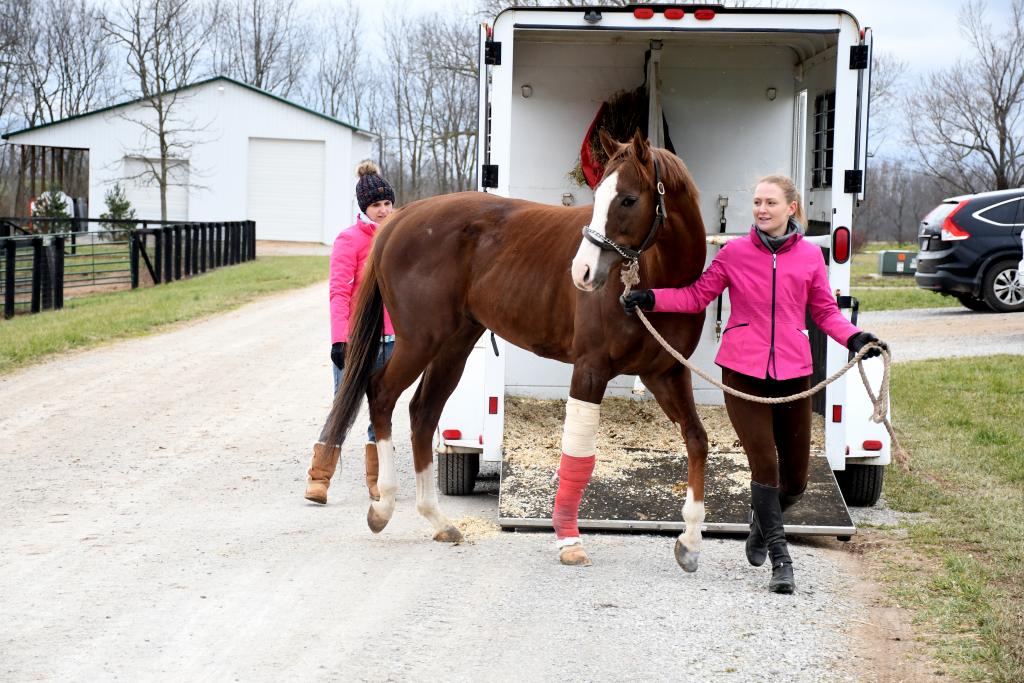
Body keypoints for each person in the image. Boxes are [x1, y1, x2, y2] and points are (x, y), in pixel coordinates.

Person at [621, 174, 888, 594]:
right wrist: (651, 298)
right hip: (742, 373)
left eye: (770, 203)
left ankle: (761, 525)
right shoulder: (734, 253)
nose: (761, 210)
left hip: (794, 373)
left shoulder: (809, 259)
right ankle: (782, 561)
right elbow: (696, 296)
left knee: (796, 481)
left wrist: (855, 338)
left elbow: (825, 312)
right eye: (758, 202)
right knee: (765, 465)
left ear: (791, 209)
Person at [304, 161, 396, 505]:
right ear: (364, 208)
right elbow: (339, 293)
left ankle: (377, 481)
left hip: (392, 341)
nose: (384, 211)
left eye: (387, 203)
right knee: (343, 406)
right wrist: (339, 339)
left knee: (381, 411)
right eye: (376, 205)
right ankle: (319, 479)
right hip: (357, 342)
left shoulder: (399, 237)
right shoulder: (350, 240)